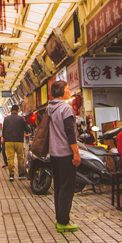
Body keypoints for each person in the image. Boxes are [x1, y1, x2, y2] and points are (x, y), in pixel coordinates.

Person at [48, 81, 80, 233]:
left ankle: (59, 218)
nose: (69, 91)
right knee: (67, 188)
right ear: (61, 91)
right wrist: (76, 152)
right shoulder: (65, 108)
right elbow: (70, 133)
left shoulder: (50, 108)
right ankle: (63, 221)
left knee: (59, 187)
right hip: (65, 153)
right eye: (67, 88)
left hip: (53, 153)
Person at [2, 104, 29, 181]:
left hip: (8, 141)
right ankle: (20, 174)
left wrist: (5, 138)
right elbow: (26, 128)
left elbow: (3, 131)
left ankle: (11, 175)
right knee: (20, 157)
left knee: (10, 158)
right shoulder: (20, 119)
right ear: (18, 111)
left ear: (10, 110)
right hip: (19, 141)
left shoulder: (6, 119)